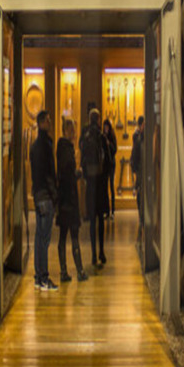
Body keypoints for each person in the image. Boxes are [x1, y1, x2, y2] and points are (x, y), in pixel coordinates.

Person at [56, 117, 88, 282]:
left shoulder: (63, 148)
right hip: (68, 199)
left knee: (64, 236)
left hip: (64, 199)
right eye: (72, 130)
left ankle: (64, 271)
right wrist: (78, 173)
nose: (75, 134)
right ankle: (80, 270)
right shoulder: (66, 149)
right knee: (72, 234)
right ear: (67, 131)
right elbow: (67, 173)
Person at [29, 110, 58, 291]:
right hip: (46, 197)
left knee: (39, 237)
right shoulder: (45, 146)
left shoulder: (34, 146)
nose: (51, 122)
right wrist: (55, 195)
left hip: (38, 194)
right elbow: (48, 174)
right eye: (48, 120)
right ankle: (44, 278)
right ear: (41, 123)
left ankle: (38, 276)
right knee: (44, 239)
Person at [79, 108, 111, 267]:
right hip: (100, 184)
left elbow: (82, 160)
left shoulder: (85, 137)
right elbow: (109, 161)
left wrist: (86, 178)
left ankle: (92, 253)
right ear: (98, 120)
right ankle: (102, 252)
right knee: (100, 220)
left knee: (92, 221)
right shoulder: (101, 137)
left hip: (90, 185)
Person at [131, 115, 145, 243]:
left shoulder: (140, 139)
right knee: (141, 199)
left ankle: (143, 222)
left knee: (141, 200)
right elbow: (135, 157)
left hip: (143, 176)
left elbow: (134, 157)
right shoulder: (139, 139)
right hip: (142, 176)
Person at [102, 118, 118, 219]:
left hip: (111, 164)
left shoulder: (112, 136)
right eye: (105, 126)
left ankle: (113, 210)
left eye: (107, 126)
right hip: (105, 164)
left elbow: (114, 149)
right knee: (105, 187)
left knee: (111, 186)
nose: (106, 128)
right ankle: (107, 210)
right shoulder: (102, 136)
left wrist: (109, 143)